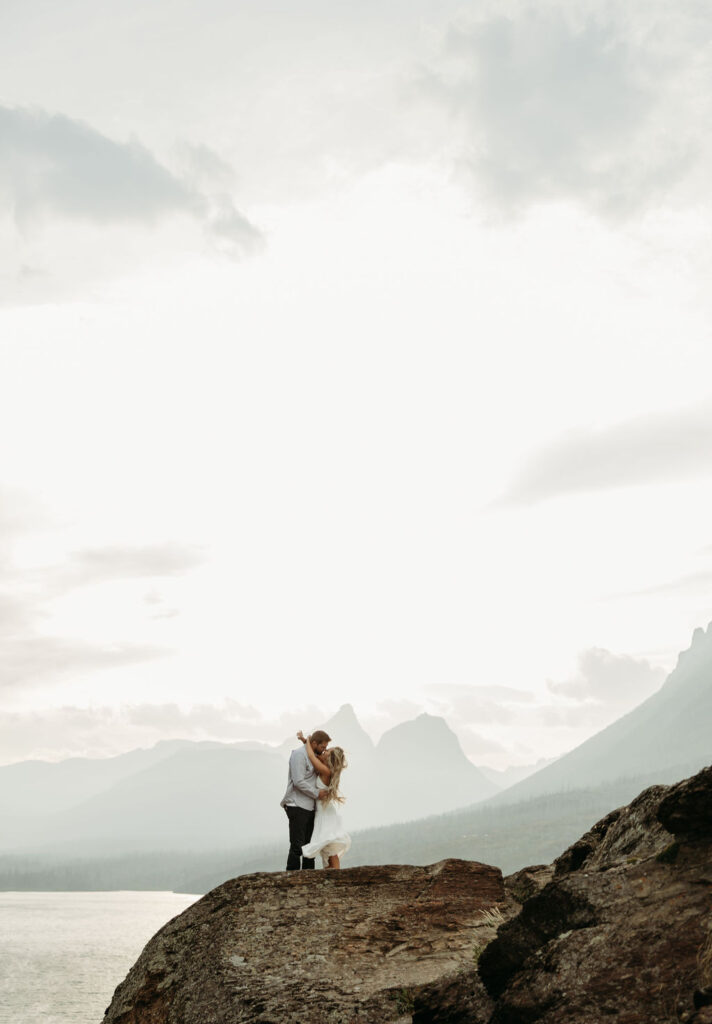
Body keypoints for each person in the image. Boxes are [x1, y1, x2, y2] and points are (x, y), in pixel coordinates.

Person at [297, 730, 350, 869]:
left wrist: (308, 740)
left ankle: (336, 874)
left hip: (325, 813)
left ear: (329, 759)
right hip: (324, 811)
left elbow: (310, 754)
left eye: (327, 751)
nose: (324, 751)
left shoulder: (325, 771)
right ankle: (330, 873)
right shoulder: (326, 766)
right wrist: (305, 741)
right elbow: (315, 752)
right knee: (326, 848)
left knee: (330, 848)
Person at [280, 728, 331, 870]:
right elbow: (298, 781)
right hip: (297, 805)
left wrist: (305, 739)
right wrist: (316, 793)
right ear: (314, 743)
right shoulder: (299, 755)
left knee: (310, 846)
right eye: (322, 746)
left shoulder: (313, 755)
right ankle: (292, 880)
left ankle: (309, 879)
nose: (323, 749)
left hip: (310, 807)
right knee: (297, 846)